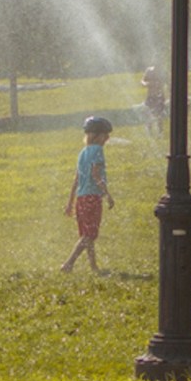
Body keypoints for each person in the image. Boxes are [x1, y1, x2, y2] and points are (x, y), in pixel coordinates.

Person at [62, 117, 115, 273]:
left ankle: (93, 267)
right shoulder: (98, 151)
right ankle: (68, 264)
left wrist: (70, 203)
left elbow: (76, 179)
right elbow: (96, 174)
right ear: (96, 136)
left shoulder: (82, 153)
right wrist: (108, 194)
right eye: (105, 135)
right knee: (89, 236)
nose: (107, 138)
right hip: (92, 198)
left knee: (87, 235)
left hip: (81, 198)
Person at [141, 66, 167, 136]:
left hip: (160, 96)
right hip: (150, 96)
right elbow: (142, 81)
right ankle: (149, 132)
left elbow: (168, 82)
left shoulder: (163, 71)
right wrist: (147, 84)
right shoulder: (149, 70)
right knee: (149, 113)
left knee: (159, 115)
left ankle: (160, 132)